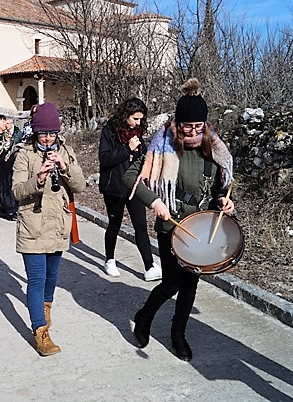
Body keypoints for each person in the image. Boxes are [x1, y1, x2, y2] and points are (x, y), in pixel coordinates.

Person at [123, 78, 234, 362]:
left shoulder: (213, 145)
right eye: (188, 126)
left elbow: (220, 184)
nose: (194, 132)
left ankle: (178, 333)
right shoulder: (162, 145)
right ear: (178, 122)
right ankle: (145, 316)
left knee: (191, 284)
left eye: (199, 126)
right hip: (171, 222)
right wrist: (155, 200)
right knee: (172, 282)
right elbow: (130, 177)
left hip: (201, 225)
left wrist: (223, 199)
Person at [11, 102, 86, 356]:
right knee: (36, 279)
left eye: (51, 133)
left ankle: (45, 308)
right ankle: (40, 331)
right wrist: (39, 178)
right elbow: (17, 191)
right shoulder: (24, 154)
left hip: (57, 225)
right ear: (35, 131)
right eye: (43, 133)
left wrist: (64, 167)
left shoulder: (65, 150)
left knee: (52, 278)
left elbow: (80, 186)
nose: (47, 138)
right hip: (33, 225)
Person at [98, 98, 160, 281]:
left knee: (140, 225)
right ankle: (109, 260)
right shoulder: (109, 131)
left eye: (141, 119)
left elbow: (144, 155)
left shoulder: (138, 131)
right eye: (135, 118)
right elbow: (105, 160)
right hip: (114, 187)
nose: (138, 123)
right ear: (126, 115)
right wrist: (127, 148)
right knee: (114, 224)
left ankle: (149, 266)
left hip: (134, 186)